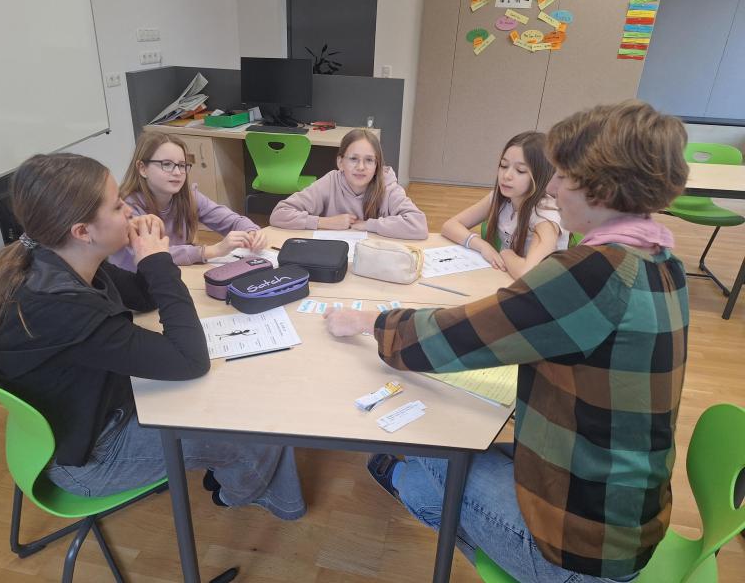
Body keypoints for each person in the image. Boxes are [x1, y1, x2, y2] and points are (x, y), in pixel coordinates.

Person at [324, 100, 689, 580]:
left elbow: (455, 337)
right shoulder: (662, 260)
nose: (552, 188)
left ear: (602, 187)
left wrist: (370, 322)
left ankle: (404, 478)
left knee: (423, 438)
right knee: (422, 482)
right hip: (623, 512)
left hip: (583, 550)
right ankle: (404, 479)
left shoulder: (591, 274)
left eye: (563, 176)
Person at [0, 153, 305, 520]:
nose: (130, 212)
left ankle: (228, 472)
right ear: (82, 232)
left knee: (228, 390)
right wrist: (157, 260)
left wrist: (148, 253)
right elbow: (191, 360)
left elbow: (144, 297)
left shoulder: (64, 261)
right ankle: (252, 496)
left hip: (91, 411)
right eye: (118, 206)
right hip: (93, 456)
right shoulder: (64, 306)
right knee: (253, 426)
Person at [110, 131, 267, 271]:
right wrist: (211, 251)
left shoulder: (188, 197)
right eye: (167, 164)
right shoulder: (127, 207)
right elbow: (150, 254)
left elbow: (230, 220)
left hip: (173, 273)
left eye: (182, 165)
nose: (178, 172)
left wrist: (251, 232)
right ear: (142, 168)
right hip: (134, 285)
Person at [441, 131, 568, 279]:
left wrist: (505, 253)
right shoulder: (501, 198)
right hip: (507, 279)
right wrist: (483, 246)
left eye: (520, 170)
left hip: (541, 288)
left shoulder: (545, 215)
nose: (506, 176)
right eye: (503, 165)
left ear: (540, 175)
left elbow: (528, 274)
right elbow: (449, 226)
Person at [269, 128, 428, 239]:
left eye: (369, 160)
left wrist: (369, 225)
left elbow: (418, 225)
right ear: (340, 162)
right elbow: (279, 214)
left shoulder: (388, 187)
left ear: (377, 165)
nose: (361, 167)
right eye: (353, 159)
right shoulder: (330, 182)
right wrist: (324, 222)